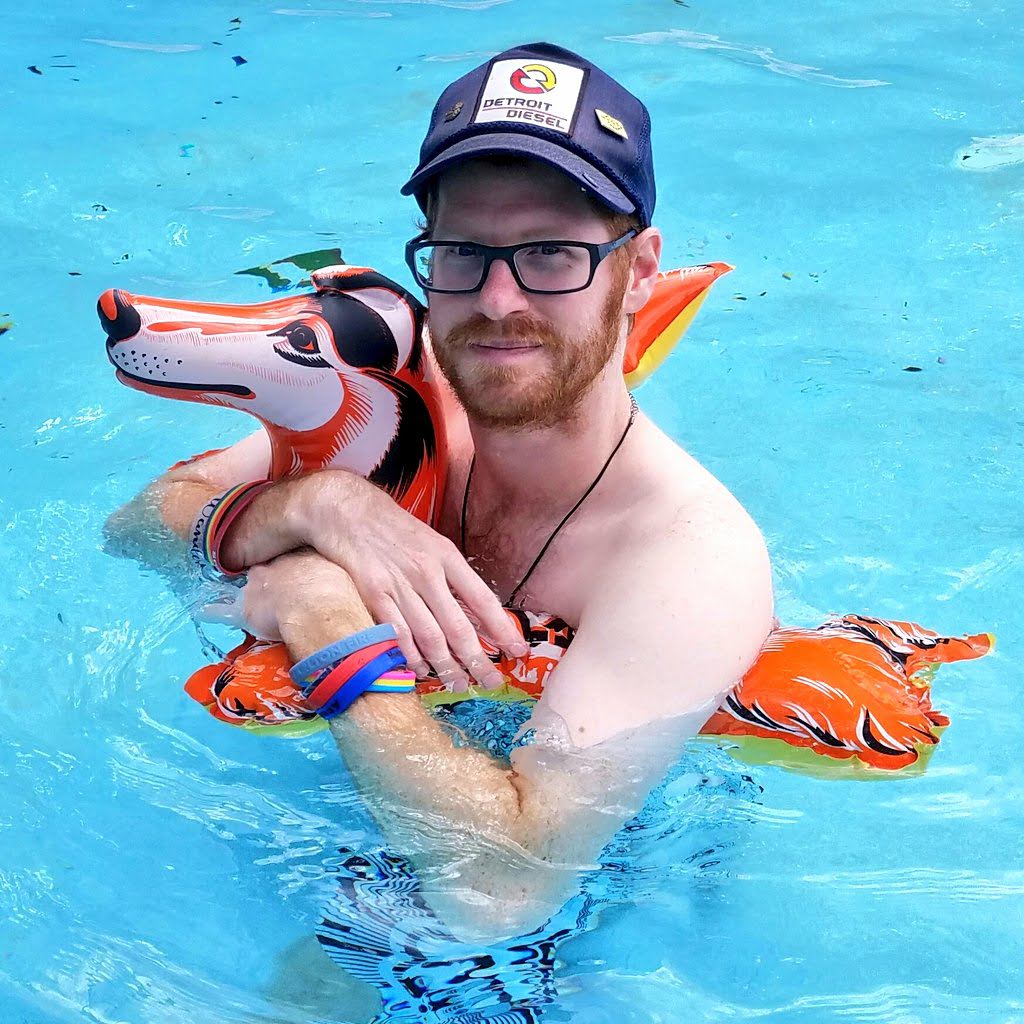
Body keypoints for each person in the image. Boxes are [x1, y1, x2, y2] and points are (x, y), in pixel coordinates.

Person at [108, 42, 773, 941]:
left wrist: (323, 613)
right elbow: (138, 526)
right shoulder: (402, 408)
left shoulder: (688, 557)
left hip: (593, 903)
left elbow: (501, 893)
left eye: (549, 253)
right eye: (463, 252)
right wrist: (315, 508)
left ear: (640, 268)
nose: (499, 300)